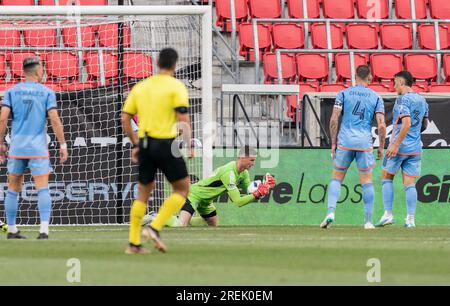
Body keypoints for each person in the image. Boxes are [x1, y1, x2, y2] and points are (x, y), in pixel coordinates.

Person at [122, 48, 193, 254]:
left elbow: (125, 118)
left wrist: (136, 143)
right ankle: (154, 228)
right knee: (182, 189)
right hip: (165, 143)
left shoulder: (142, 86)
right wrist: (189, 145)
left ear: (157, 63)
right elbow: (183, 119)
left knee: (143, 194)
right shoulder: (176, 86)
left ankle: (133, 244)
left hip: (145, 143)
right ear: (174, 64)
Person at [0, 56, 68, 239]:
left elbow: (3, 117)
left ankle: (12, 229)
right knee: (42, 188)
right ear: (38, 71)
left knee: (13, 187)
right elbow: (54, 119)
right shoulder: (46, 92)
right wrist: (63, 144)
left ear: (23, 71)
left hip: (17, 147)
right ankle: (44, 230)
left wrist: (0, 143)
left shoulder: (11, 91)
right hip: (38, 148)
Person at [320, 65, 386, 229]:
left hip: (345, 142)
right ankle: (368, 221)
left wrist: (333, 143)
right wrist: (381, 147)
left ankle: (330, 213)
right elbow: (382, 125)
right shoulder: (376, 97)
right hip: (364, 143)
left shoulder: (343, 94)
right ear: (370, 77)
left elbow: (334, 119)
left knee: (336, 178)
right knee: (367, 182)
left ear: (355, 76)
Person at [376, 71, 429, 228]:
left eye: (394, 83)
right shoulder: (422, 99)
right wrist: (414, 136)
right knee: (409, 183)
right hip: (415, 147)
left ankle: (388, 214)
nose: (393, 86)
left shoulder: (402, 100)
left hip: (399, 147)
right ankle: (410, 219)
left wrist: (396, 144)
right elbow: (425, 124)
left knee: (386, 177)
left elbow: (406, 123)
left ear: (401, 82)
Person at [173, 146, 274, 227]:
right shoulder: (229, 173)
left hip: (207, 201)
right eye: (251, 160)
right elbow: (238, 201)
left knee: (213, 226)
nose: (253, 163)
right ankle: (165, 218)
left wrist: (264, 186)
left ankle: (187, 219)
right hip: (194, 195)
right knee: (180, 225)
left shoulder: (244, 173)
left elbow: (249, 191)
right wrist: (257, 194)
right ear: (242, 158)